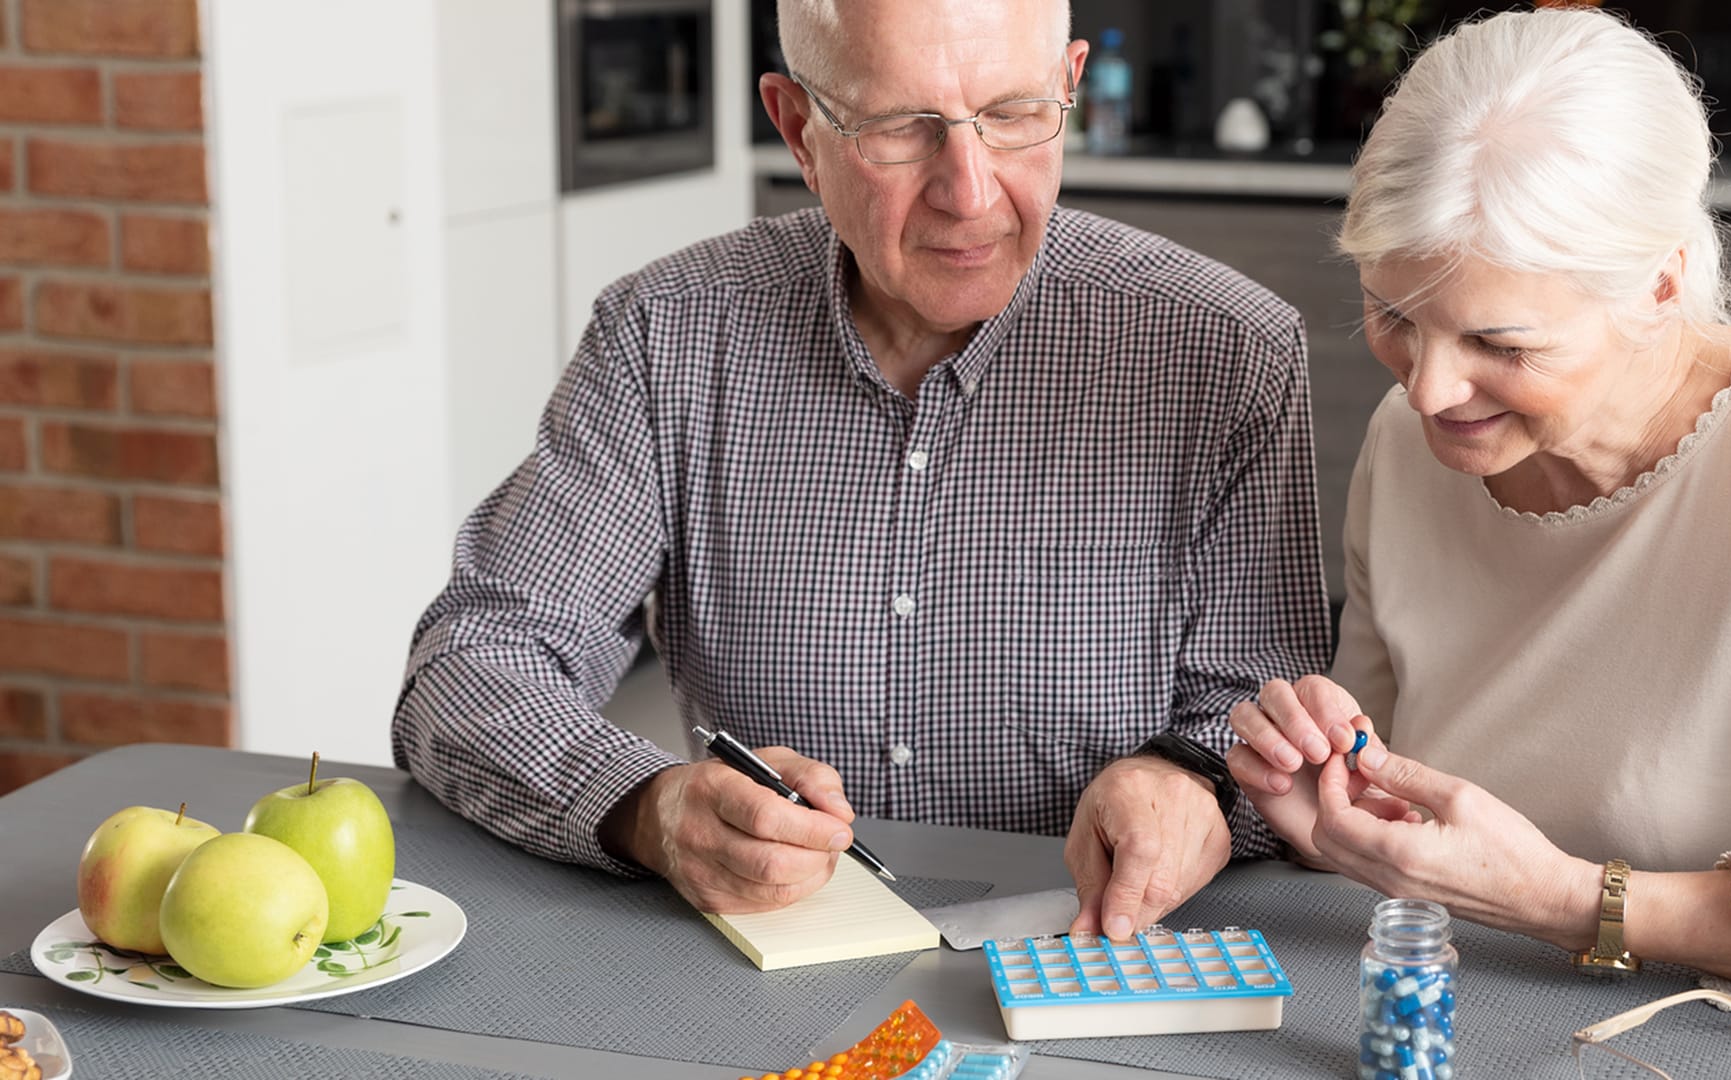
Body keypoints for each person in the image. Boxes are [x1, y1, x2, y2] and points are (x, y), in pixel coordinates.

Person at [391, 0, 1330, 942]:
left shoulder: (1227, 351)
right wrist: (650, 808)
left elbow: (1266, 717)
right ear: (799, 129)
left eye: (1012, 114)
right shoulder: (666, 334)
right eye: (899, 129)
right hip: (770, 970)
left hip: (1099, 966)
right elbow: (475, 660)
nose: (968, 192)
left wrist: (1186, 776)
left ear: (1070, 87)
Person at [1225, 7, 1731, 1014]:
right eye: (1394, 317)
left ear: (1662, 284)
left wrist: (1567, 901)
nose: (1430, 391)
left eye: (1504, 344)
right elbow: (1403, 823)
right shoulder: (1410, 449)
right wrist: (1330, 814)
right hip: (1464, 1012)